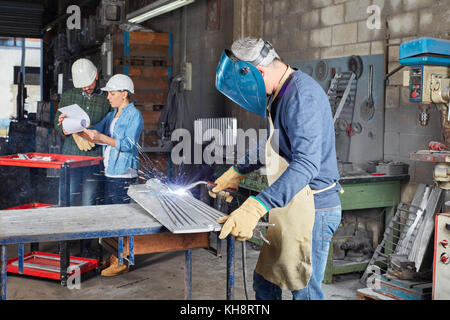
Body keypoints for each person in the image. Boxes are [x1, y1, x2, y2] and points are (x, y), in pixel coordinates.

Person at [212, 38, 342, 300]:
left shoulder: (300, 96)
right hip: (291, 206)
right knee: (265, 283)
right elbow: (273, 142)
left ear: (257, 73)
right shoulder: (281, 92)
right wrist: (238, 170)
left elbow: (306, 164)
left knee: (304, 292)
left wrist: (258, 205)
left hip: (313, 210)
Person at [80, 74, 143, 276]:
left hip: (124, 172)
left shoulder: (134, 116)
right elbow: (94, 133)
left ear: (124, 94)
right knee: (114, 216)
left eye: (112, 93)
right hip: (111, 171)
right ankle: (117, 256)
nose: (108, 97)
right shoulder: (112, 115)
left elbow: (128, 145)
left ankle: (124, 260)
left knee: (123, 217)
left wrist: (103, 138)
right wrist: (75, 127)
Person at [55, 58, 111, 258]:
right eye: (83, 85)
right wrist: (66, 127)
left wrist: (93, 134)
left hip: (94, 157)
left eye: (90, 83)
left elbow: (111, 126)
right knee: (66, 198)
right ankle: (65, 241)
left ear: (96, 76)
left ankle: (86, 245)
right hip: (70, 157)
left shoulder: (106, 99)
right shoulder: (69, 96)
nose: (87, 88)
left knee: (89, 201)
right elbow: (56, 125)